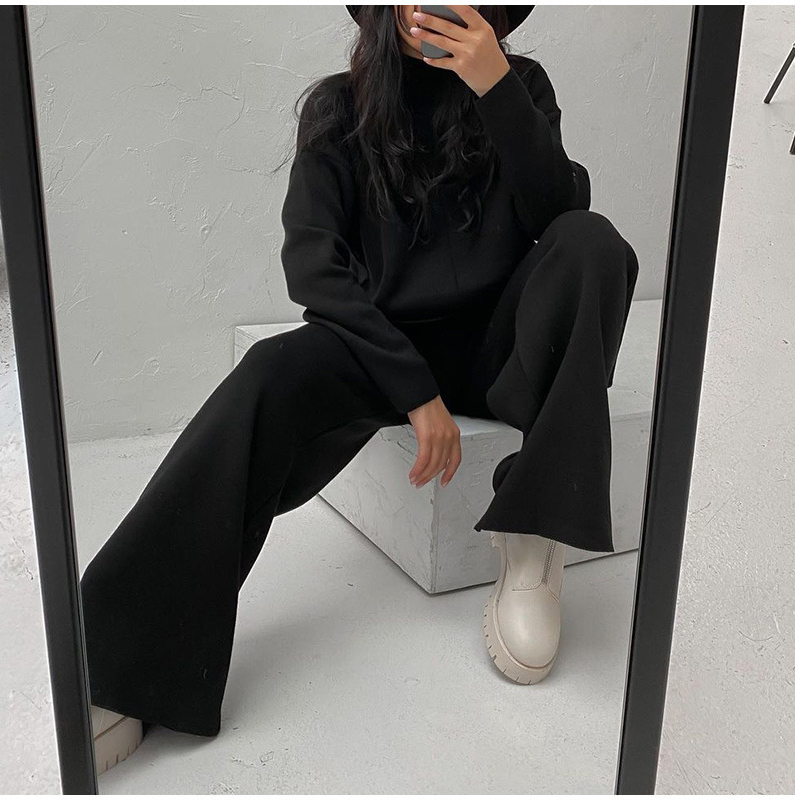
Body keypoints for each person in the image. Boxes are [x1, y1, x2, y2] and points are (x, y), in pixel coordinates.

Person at [82, 5, 638, 774]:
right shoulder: (338, 108)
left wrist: (496, 88)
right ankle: (125, 662)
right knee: (269, 372)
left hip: (498, 344)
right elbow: (315, 266)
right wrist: (414, 390)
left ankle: (532, 540)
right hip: (384, 349)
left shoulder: (522, 86)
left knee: (594, 242)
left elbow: (558, 215)